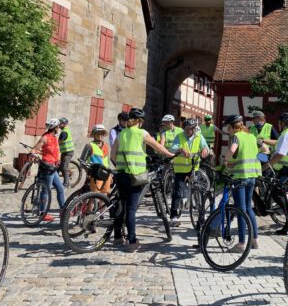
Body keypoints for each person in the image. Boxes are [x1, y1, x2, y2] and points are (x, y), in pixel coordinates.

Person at [110, 107, 174, 252]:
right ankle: (132, 241)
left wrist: (122, 165)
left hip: (120, 174)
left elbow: (113, 155)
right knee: (131, 209)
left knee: (121, 205)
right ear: (139, 121)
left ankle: (117, 237)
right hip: (135, 175)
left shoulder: (122, 134)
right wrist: (170, 154)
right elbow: (157, 146)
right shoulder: (141, 133)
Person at [223, 114, 260, 251]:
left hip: (240, 177)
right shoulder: (251, 136)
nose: (228, 130)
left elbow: (232, 150)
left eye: (229, 127)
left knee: (240, 210)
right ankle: (255, 240)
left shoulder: (237, 136)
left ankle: (241, 243)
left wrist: (226, 161)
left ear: (233, 126)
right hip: (252, 177)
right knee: (249, 208)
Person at [170, 118, 210, 225]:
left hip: (194, 168)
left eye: (190, 129)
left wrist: (205, 150)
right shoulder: (179, 137)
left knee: (198, 191)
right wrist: (181, 150)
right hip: (181, 169)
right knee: (178, 191)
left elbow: (206, 148)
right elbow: (172, 148)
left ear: (193, 129)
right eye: (186, 129)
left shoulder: (199, 137)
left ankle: (201, 214)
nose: (188, 131)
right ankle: (173, 216)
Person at [32, 118, 65, 222]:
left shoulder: (54, 137)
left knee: (60, 189)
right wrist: (35, 156)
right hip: (47, 167)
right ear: (54, 128)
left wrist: (58, 160)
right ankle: (43, 213)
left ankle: (63, 211)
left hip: (54, 168)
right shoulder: (45, 137)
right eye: (58, 127)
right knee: (46, 190)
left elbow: (55, 151)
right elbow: (34, 149)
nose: (59, 128)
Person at [88, 124, 112, 194]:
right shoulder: (89, 146)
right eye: (98, 133)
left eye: (102, 133)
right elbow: (82, 161)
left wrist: (110, 175)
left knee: (104, 195)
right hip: (96, 174)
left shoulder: (105, 145)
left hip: (106, 174)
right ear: (94, 134)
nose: (100, 135)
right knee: (93, 196)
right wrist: (88, 172)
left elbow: (107, 161)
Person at [57, 117, 74, 187]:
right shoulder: (64, 130)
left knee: (64, 168)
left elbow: (59, 141)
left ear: (63, 124)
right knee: (60, 167)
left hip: (68, 152)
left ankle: (66, 184)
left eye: (60, 124)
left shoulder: (64, 132)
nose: (59, 125)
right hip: (65, 152)